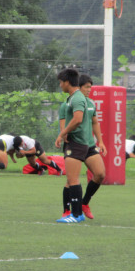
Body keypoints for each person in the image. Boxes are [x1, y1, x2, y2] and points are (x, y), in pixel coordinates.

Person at [58, 74, 106, 219]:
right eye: (86, 87)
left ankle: (83, 204)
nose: (89, 90)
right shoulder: (68, 104)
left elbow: (95, 123)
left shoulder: (90, 103)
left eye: (91, 87)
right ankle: (68, 211)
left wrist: (101, 142)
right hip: (76, 144)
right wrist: (63, 135)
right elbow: (64, 125)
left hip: (88, 145)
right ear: (78, 86)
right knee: (71, 179)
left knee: (100, 174)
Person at [54, 68, 90, 223]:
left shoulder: (77, 98)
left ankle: (76, 215)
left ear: (67, 82)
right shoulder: (72, 98)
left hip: (77, 143)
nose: (60, 85)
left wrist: (63, 133)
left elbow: (77, 119)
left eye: (61, 82)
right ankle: (74, 214)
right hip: (74, 142)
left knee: (73, 179)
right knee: (71, 179)